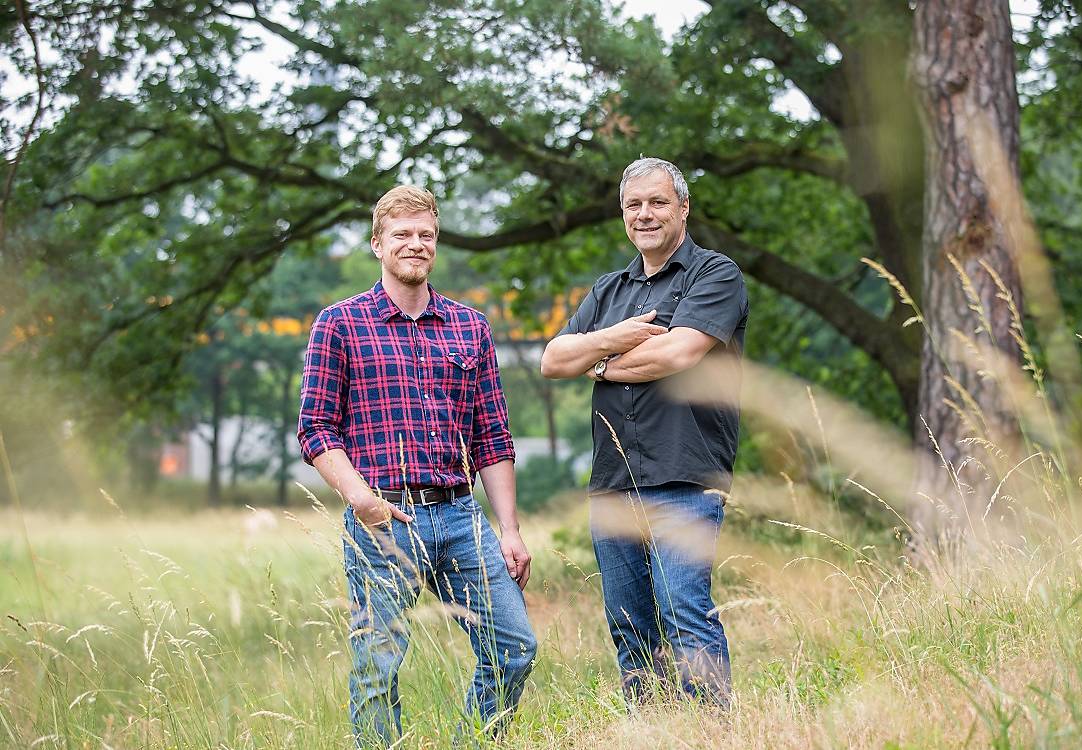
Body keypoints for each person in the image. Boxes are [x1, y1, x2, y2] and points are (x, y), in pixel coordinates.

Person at [297, 185, 537, 746]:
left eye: (426, 234)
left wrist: (510, 528)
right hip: (383, 517)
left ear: (436, 243)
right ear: (377, 244)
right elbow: (315, 428)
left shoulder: (469, 327)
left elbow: (492, 437)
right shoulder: (340, 324)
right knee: (377, 666)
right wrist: (361, 499)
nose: (416, 244)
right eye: (402, 234)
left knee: (515, 646)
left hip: (459, 514)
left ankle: (473, 742)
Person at [540, 157, 748, 707]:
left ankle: (708, 738)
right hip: (613, 481)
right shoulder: (610, 290)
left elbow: (679, 351)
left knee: (686, 615)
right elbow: (555, 358)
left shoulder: (716, 274)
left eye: (657, 202)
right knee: (629, 630)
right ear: (622, 214)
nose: (645, 214)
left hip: (684, 473)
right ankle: (654, 731)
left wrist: (600, 357)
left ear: (683, 208)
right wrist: (618, 337)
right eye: (634, 205)